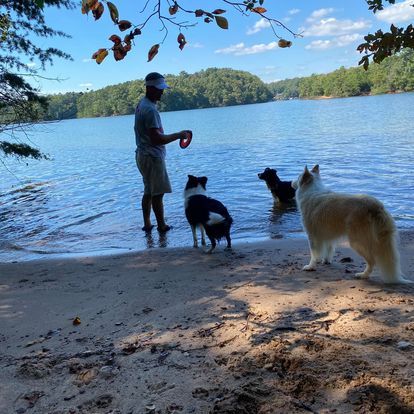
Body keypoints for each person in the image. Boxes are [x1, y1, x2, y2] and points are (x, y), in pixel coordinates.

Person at [134, 72, 191, 233]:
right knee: (158, 194)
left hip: (142, 154)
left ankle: (147, 224)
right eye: (159, 89)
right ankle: (161, 226)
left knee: (148, 191)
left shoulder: (141, 104)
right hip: (152, 157)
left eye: (162, 88)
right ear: (150, 88)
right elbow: (157, 139)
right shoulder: (150, 110)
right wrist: (179, 135)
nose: (162, 92)